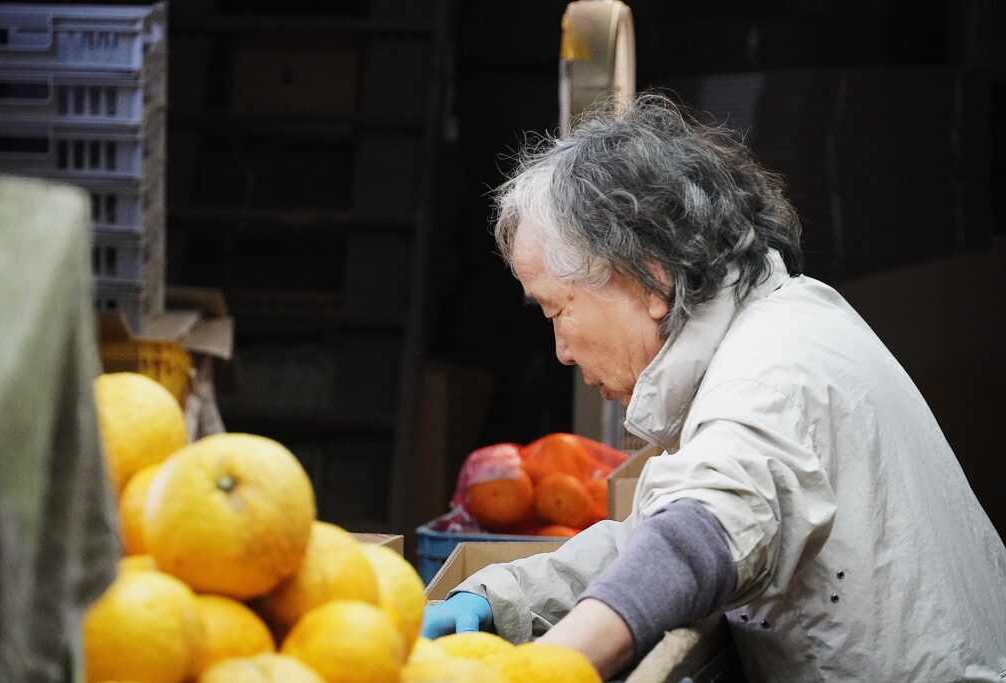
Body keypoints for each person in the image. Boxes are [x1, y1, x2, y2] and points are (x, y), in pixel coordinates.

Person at [421, 93, 1006, 681]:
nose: (562, 350)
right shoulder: (788, 314)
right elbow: (654, 538)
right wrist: (503, 598)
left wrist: (553, 667)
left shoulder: (771, 374)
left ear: (652, 280)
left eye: (557, 310)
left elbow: (699, 532)